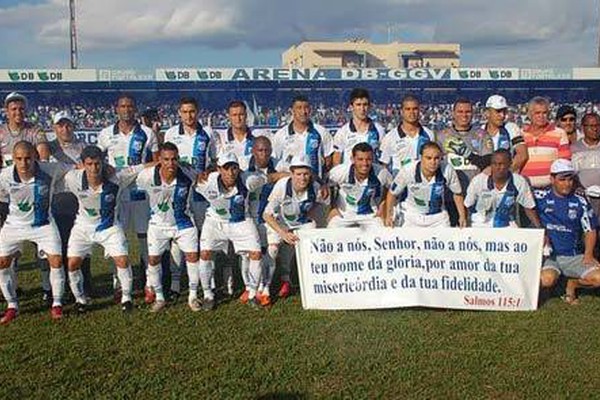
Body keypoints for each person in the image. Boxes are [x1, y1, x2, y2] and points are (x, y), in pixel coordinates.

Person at [63, 145, 148, 313]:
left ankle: (126, 298)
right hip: (83, 226)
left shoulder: (117, 177)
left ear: (103, 163)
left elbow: (141, 167)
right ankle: (80, 300)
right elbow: (54, 172)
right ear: (83, 164)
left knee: (122, 260)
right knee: (72, 264)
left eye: (97, 163)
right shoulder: (72, 178)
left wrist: (161, 161)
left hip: (109, 227)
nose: (94, 168)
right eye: (89, 164)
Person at [0, 141, 72, 324]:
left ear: (35, 158)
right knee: (2, 263)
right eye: (19, 159)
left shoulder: (50, 169)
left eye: (28, 158)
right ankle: (12, 305)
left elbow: (75, 168)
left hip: (43, 225)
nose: (24, 163)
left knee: (56, 261)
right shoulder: (5, 176)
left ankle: (56, 303)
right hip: (15, 224)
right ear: (13, 159)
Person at [97, 93, 159, 302]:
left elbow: (157, 162)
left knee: (145, 240)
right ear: (116, 109)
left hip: (141, 194)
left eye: (130, 106)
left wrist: (135, 170)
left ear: (135, 109)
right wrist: (108, 169)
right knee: (118, 241)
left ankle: (150, 284)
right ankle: (119, 285)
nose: (126, 110)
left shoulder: (148, 133)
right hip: (117, 196)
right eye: (122, 106)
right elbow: (97, 160)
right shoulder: (105, 134)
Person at [195, 153, 267, 310]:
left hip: (241, 220)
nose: (230, 173)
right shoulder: (207, 181)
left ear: (239, 169)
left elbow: (271, 177)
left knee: (256, 253)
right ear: (219, 169)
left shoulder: (248, 180)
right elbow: (190, 177)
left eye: (234, 168)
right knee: (205, 253)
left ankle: (253, 294)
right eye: (226, 168)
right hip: (215, 221)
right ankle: (208, 295)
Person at [163, 97, 217, 300]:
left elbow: (215, 162)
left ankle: (208, 281)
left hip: (201, 193)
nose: (189, 116)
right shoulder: (170, 134)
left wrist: (207, 171)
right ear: (179, 113)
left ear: (198, 112)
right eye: (185, 112)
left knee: (205, 237)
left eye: (192, 111)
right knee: (177, 236)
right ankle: (176, 283)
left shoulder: (208, 134)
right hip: (178, 193)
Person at [136, 142, 201, 312]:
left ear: (178, 159)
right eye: (166, 160)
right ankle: (159, 298)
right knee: (153, 260)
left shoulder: (188, 173)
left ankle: (193, 296)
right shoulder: (147, 176)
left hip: (184, 223)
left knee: (193, 258)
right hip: (158, 224)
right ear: (160, 160)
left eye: (174, 159)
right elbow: (128, 177)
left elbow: (205, 177)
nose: (170, 164)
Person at [536, 159, 600, 304]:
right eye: (562, 179)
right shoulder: (539, 197)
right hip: (550, 256)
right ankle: (556, 285)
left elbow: (590, 230)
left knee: (598, 279)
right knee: (546, 280)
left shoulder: (580, 201)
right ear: (552, 179)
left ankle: (573, 284)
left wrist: (588, 255)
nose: (567, 183)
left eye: (570, 179)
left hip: (574, 256)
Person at [262, 155, 326, 299]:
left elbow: (319, 206)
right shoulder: (282, 186)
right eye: (298, 174)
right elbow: (266, 215)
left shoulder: (315, 188)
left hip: (301, 222)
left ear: (311, 174)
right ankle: (265, 286)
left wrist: (310, 222)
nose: (302, 178)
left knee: (310, 243)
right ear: (291, 174)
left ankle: (306, 283)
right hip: (279, 222)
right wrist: (283, 233)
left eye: (306, 174)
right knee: (273, 248)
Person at [48, 111, 92, 301]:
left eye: (68, 125)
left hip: (79, 200)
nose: (64, 129)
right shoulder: (48, 148)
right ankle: (61, 286)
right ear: (54, 128)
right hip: (56, 199)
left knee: (82, 245)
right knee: (60, 244)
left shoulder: (83, 147)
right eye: (60, 125)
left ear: (73, 126)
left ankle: (85, 285)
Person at [243, 136, 287, 305]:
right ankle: (250, 287)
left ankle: (266, 287)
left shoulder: (279, 164)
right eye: (260, 150)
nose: (264, 154)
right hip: (250, 216)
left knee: (272, 252)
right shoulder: (243, 164)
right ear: (253, 151)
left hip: (271, 217)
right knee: (251, 254)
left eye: (267, 150)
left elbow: (296, 173)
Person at [385, 141, 466, 228]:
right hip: (411, 214)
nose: (433, 162)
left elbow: (457, 193)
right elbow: (392, 193)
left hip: (438, 216)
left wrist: (462, 216)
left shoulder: (447, 170)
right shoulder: (408, 170)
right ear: (421, 157)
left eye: (436, 158)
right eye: (429, 158)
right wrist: (388, 216)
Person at [464, 149, 541, 228]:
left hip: (507, 224)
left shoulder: (518, 181)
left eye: (501, 164)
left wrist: (540, 230)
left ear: (510, 164)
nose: (498, 167)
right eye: (494, 164)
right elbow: (467, 205)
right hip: (480, 224)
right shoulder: (478, 181)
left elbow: (528, 207)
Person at [328, 143, 392, 227]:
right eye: (360, 159)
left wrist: (382, 207)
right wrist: (333, 208)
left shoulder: (381, 173)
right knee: (332, 227)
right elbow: (329, 185)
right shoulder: (340, 172)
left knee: (381, 228)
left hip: (370, 214)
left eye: (368, 159)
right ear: (352, 159)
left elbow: (391, 189)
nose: (365, 163)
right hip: (344, 213)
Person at [271, 95, 333, 182]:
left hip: (314, 184)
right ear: (292, 111)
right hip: (289, 184)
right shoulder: (281, 135)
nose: (303, 111)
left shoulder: (321, 132)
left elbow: (328, 160)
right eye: (299, 108)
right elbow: (275, 161)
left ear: (310, 110)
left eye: (306, 108)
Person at [521, 96, 571, 189]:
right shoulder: (521, 134)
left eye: (544, 113)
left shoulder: (559, 133)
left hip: (550, 189)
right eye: (537, 113)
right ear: (529, 114)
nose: (541, 116)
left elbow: (565, 163)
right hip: (525, 188)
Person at [379, 94, 434, 176]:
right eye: (408, 109)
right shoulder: (390, 137)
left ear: (419, 110)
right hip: (400, 186)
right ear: (401, 111)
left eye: (415, 109)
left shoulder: (429, 134)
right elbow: (383, 166)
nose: (412, 112)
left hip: (424, 185)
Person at [332, 88, 386, 166]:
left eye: (365, 104)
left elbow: (383, 160)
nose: (362, 109)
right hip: (350, 176)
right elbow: (336, 162)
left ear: (369, 106)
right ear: (351, 107)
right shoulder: (342, 132)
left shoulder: (379, 130)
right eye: (358, 105)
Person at [214, 100, 270, 171]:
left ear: (246, 115)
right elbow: (215, 162)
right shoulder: (221, 137)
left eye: (241, 114)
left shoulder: (257, 136)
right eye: (234, 115)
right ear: (229, 117)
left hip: (254, 177)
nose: (238, 119)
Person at [571, 112, 600, 222]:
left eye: (598, 125)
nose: (595, 129)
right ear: (583, 128)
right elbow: (571, 173)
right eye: (591, 126)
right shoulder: (574, 148)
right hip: (583, 197)